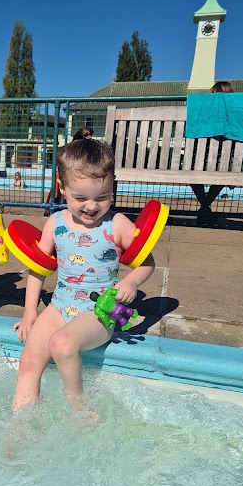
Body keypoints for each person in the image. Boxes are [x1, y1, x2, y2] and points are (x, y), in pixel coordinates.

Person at [12, 138, 155, 416]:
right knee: (29, 359)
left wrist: (131, 281)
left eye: (101, 197)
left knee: (61, 344)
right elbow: (39, 267)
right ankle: (21, 426)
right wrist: (30, 311)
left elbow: (147, 263)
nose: (91, 206)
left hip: (98, 313)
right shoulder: (56, 223)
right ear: (62, 187)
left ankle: (78, 408)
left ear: (112, 187)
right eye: (81, 198)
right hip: (59, 306)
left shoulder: (117, 224)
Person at [190, 81, 235, 221]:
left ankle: (204, 207)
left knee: (192, 171)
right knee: (224, 173)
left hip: (201, 162)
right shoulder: (235, 116)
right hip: (223, 164)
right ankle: (205, 207)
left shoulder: (203, 115)